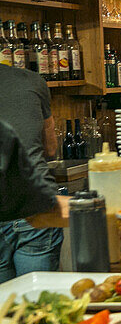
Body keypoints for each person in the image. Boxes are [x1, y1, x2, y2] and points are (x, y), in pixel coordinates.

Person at [0, 62, 63, 278]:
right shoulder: (32, 80)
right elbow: (51, 148)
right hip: (34, 207)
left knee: (5, 308)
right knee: (38, 302)